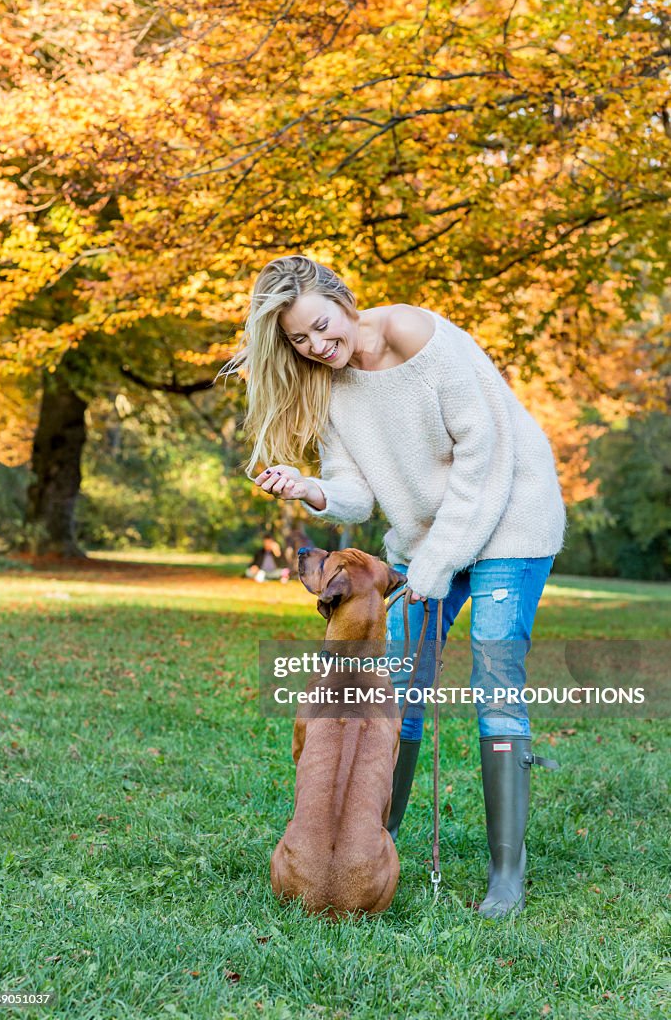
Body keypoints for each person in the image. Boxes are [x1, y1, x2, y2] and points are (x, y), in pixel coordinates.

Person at [219, 255, 566, 918]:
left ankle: (504, 878)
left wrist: (434, 564)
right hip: (427, 545)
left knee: (494, 681)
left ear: (343, 300)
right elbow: (354, 492)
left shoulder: (418, 336)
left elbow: (484, 459)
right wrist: (313, 488)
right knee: (394, 693)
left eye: (321, 326)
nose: (318, 346)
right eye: (299, 341)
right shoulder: (328, 384)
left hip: (510, 522)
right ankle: (371, 841)